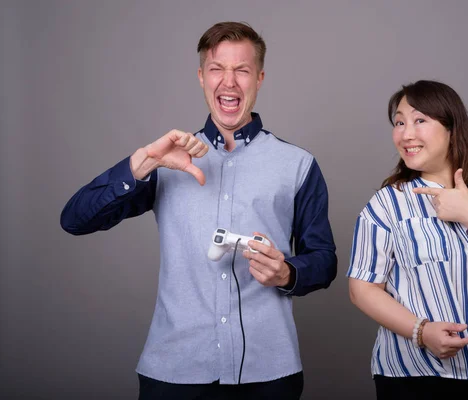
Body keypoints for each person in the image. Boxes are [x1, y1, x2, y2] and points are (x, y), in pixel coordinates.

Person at [60, 21, 337, 400]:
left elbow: (324, 260)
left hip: (269, 374)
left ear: (259, 77)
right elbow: (74, 220)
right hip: (173, 373)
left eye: (241, 70)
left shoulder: (298, 165)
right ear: (201, 77)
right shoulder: (167, 161)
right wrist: (139, 165)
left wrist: (288, 272)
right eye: (216, 69)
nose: (229, 82)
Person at [347, 80, 468, 399]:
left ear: (452, 128)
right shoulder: (387, 203)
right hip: (412, 378)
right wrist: (421, 332)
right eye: (399, 122)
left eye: (420, 120)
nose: (406, 133)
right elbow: (362, 289)